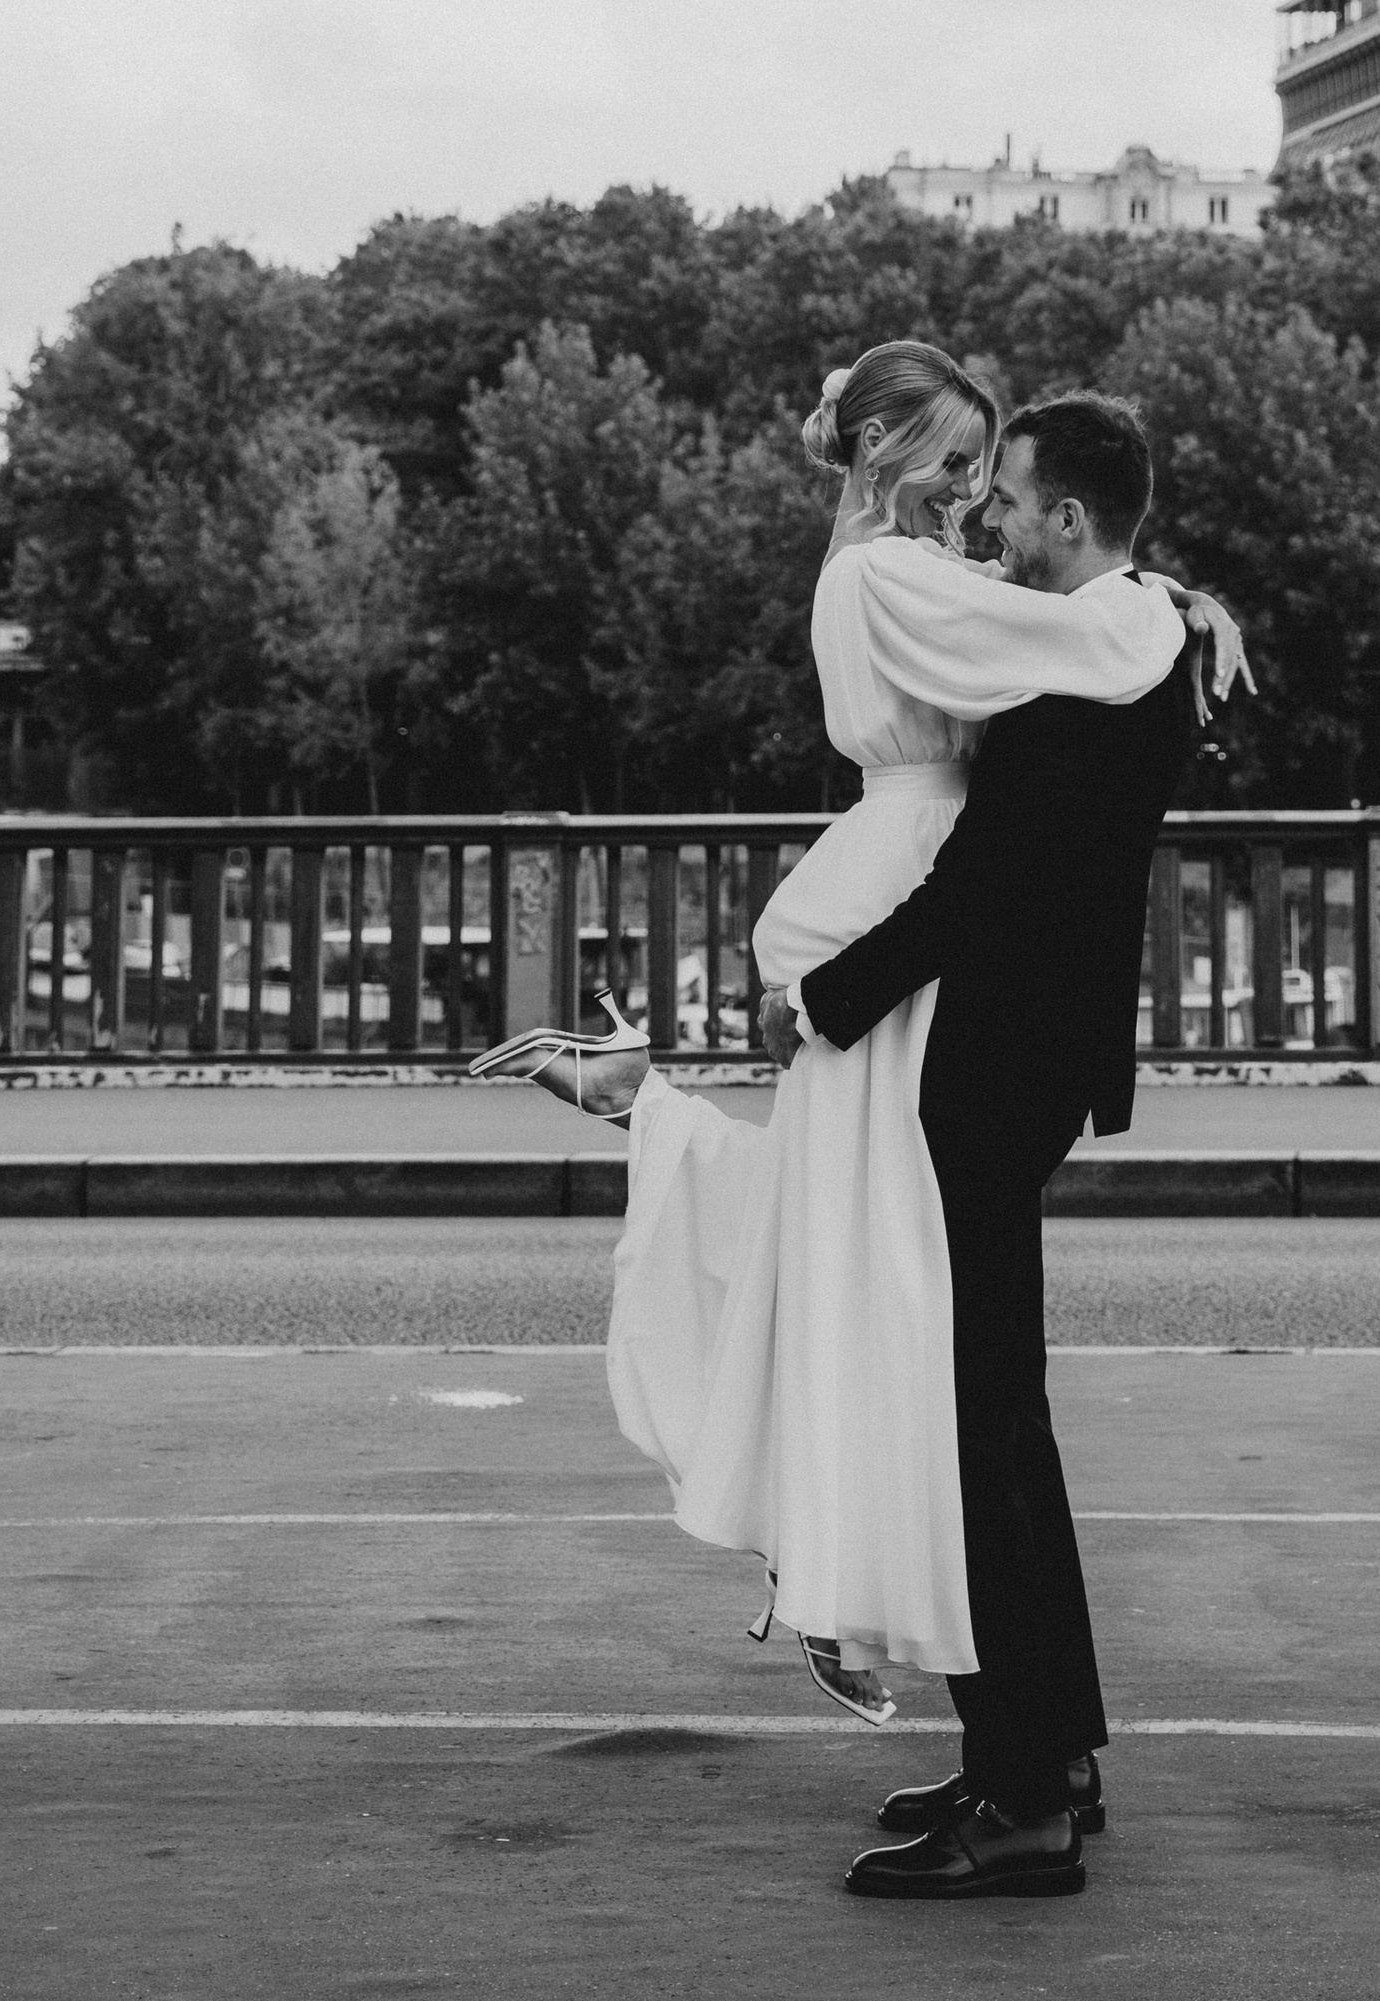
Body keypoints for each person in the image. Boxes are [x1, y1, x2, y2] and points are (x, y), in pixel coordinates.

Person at [497, 339, 1215, 1731]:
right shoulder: (893, 575)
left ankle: (973, 1695)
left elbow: (1058, 607)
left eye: (988, 474)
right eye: (955, 465)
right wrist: (1178, 606)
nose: (973, 500)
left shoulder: (917, 573)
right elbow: (1077, 625)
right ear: (885, 456)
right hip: (912, 933)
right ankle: (992, 1713)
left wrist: (1170, 597)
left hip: (911, 941)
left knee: (897, 1317)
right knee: (908, 1324)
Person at [776, 386, 1200, 1904]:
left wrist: (826, 992)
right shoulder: (1128, 636)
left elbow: (985, 884)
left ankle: (1022, 1793)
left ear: (1067, 516)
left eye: (1008, 497)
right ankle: (1047, 1748)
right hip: (1035, 1058)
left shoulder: (1088, 668)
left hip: (992, 1060)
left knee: (973, 1431)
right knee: (1002, 1419)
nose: (992, 523)